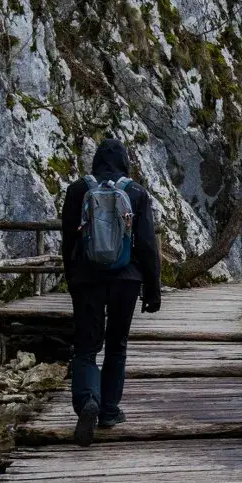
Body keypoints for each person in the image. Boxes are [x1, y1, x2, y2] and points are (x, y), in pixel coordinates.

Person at [61, 137, 161, 446]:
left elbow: (68, 241)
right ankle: (108, 411)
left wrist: (72, 278)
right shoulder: (136, 193)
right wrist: (153, 289)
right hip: (127, 279)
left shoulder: (78, 190)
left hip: (87, 279)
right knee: (117, 344)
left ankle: (88, 400)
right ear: (124, 161)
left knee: (86, 346)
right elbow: (146, 245)